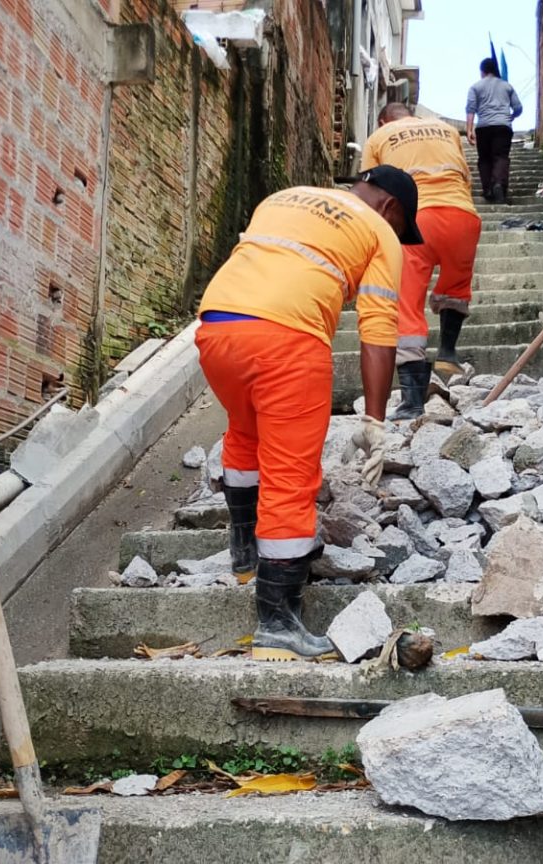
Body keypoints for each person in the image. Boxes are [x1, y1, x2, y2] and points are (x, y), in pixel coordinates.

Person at [197, 166, 422, 661]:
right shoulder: (380, 231)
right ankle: (278, 624)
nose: (400, 238)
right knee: (290, 476)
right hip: (288, 341)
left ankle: (245, 555)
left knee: (245, 432)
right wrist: (374, 421)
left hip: (216, 328)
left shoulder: (286, 197)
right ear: (391, 208)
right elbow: (378, 329)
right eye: (403, 228)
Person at [363, 103, 482, 418]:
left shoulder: (379, 137)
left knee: (408, 305)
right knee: (456, 285)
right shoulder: (446, 129)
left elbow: (370, 193)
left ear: (383, 121)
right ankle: (447, 351)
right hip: (464, 216)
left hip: (418, 220)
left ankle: (413, 401)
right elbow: (466, 176)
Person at [466, 57, 524, 204]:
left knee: (484, 158)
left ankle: (487, 189)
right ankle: (498, 183)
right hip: (503, 126)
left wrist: (469, 130)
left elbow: (470, 109)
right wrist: (512, 116)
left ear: (482, 71)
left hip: (483, 127)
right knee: (501, 156)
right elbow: (518, 107)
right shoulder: (507, 86)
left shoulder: (475, 87)